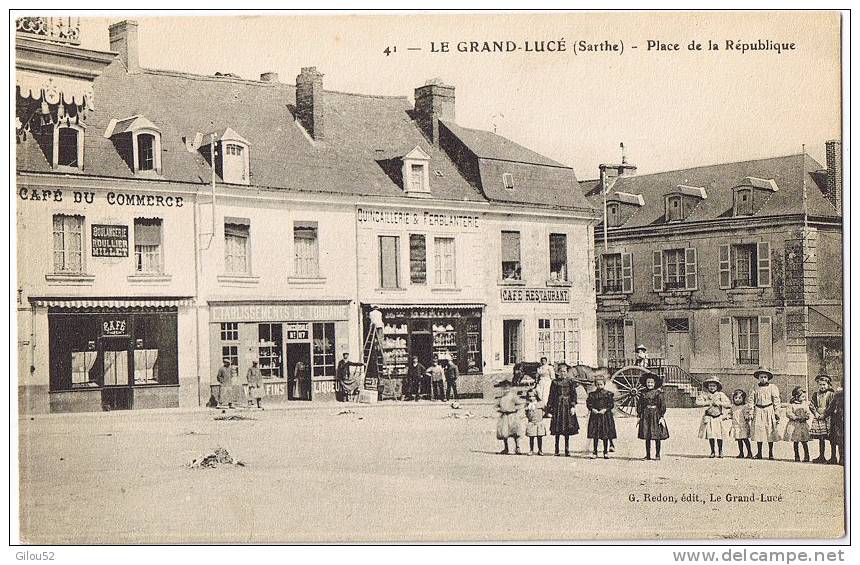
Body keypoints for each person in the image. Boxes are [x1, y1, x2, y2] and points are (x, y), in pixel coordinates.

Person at [544, 362, 579, 456]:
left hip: (567, 406)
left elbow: (574, 395)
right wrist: (549, 410)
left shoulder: (570, 382)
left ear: (567, 372)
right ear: (558, 372)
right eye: (561, 371)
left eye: (564, 371)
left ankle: (567, 450)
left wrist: (573, 406)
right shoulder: (555, 382)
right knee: (557, 428)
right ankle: (557, 450)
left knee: (567, 428)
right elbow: (551, 396)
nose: (562, 373)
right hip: (557, 406)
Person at [747, 367, 781, 460]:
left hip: (769, 410)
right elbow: (751, 400)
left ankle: (770, 453)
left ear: (768, 378)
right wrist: (750, 412)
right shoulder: (754, 387)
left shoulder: (772, 387)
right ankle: (759, 453)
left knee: (769, 431)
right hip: (758, 410)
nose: (763, 379)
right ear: (758, 377)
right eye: (761, 377)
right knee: (759, 432)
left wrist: (777, 412)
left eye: (765, 377)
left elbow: (776, 400)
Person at [696, 376, 732, 458]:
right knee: (711, 435)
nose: (712, 388)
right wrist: (708, 403)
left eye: (714, 386)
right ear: (707, 386)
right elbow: (698, 402)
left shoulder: (720, 395)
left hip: (718, 417)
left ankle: (720, 450)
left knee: (719, 435)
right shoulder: (705, 395)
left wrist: (719, 403)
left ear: (717, 387)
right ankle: (712, 451)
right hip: (709, 417)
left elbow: (728, 404)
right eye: (710, 386)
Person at [637, 372, 669, 460]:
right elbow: (640, 405)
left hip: (656, 415)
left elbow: (662, 405)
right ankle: (648, 455)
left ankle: (657, 454)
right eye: (648, 383)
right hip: (646, 415)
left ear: (654, 384)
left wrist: (661, 416)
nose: (650, 384)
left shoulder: (658, 393)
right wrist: (639, 415)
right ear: (645, 383)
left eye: (651, 383)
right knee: (647, 435)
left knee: (657, 435)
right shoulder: (643, 393)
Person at [586, 375, 617, 459]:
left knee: (605, 434)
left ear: (604, 384)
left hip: (605, 416)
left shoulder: (608, 394)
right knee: (595, 434)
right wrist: (592, 409)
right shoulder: (592, 395)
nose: (599, 386)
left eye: (601, 384)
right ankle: (595, 452)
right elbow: (589, 404)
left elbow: (611, 404)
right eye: (598, 384)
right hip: (595, 416)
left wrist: (605, 409)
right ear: (595, 385)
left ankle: (605, 452)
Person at [495, 377, 525, 455]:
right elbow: (497, 405)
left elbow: (520, 404)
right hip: (504, 416)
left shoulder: (513, 396)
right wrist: (500, 409)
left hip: (512, 415)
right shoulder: (502, 397)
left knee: (515, 432)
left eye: (507, 387)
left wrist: (514, 409)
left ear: (510, 387)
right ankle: (506, 448)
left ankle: (517, 447)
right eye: (504, 387)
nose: (506, 389)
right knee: (504, 433)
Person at [809, 374, 835, 463]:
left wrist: (825, 414)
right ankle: (821, 456)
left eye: (824, 384)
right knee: (821, 437)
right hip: (818, 417)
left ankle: (833, 457)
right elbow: (812, 405)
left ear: (828, 385)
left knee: (831, 437)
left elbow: (831, 406)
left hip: (828, 417)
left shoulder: (831, 394)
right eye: (820, 384)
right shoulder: (816, 394)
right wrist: (816, 413)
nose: (822, 386)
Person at [783, 386, 812, 462]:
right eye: (802, 397)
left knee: (804, 441)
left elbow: (808, 413)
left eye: (804, 397)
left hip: (802, 425)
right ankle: (797, 456)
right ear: (796, 396)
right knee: (795, 441)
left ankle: (807, 456)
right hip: (794, 425)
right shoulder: (791, 405)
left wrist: (806, 417)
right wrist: (796, 417)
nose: (803, 398)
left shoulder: (804, 404)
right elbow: (788, 413)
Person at [823, 386, 844, 465]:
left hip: (840, 422)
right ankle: (834, 458)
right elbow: (830, 409)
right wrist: (824, 415)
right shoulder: (837, 396)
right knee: (834, 440)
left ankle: (841, 458)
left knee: (840, 440)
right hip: (835, 422)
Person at [730, 389, 752, 459]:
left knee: (745, 439)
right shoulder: (733, 406)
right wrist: (727, 417)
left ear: (743, 398)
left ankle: (749, 452)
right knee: (739, 440)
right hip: (736, 425)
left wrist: (747, 416)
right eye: (735, 398)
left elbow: (747, 413)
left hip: (743, 425)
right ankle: (741, 453)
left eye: (740, 398)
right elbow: (730, 413)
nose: (737, 399)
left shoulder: (745, 406)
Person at [524, 388, 547, 456]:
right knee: (531, 437)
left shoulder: (540, 403)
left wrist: (542, 416)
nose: (531, 398)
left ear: (536, 396)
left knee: (539, 437)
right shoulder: (527, 404)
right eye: (529, 396)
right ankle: (531, 450)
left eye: (533, 396)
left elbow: (545, 410)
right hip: (531, 422)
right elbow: (526, 412)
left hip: (539, 422)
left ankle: (540, 450)